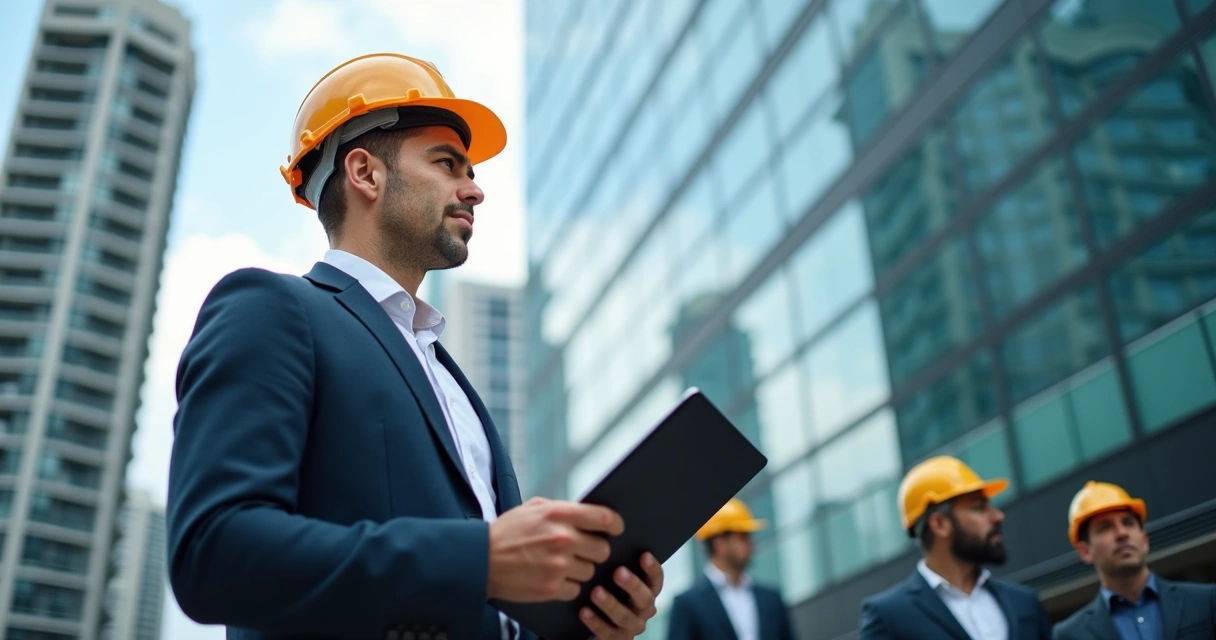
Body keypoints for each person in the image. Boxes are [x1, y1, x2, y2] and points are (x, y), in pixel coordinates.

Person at [165, 53, 664, 640]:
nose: (474, 190)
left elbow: (485, 608)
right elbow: (214, 552)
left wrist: (582, 624)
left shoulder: (453, 381)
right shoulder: (270, 309)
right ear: (365, 173)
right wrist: (477, 558)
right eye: (448, 163)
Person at [858, 456, 1052, 640]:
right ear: (940, 524)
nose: (998, 516)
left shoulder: (1025, 601)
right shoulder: (888, 616)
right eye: (978, 508)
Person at [1052, 481, 1216, 640]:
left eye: (1128, 522)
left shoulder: (1205, 601)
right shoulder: (1069, 635)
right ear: (1085, 551)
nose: (1122, 533)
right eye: (1105, 527)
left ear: (1145, 540)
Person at [667, 498, 797, 640]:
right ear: (719, 543)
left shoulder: (772, 599)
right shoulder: (688, 604)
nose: (751, 544)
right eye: (743, 537)